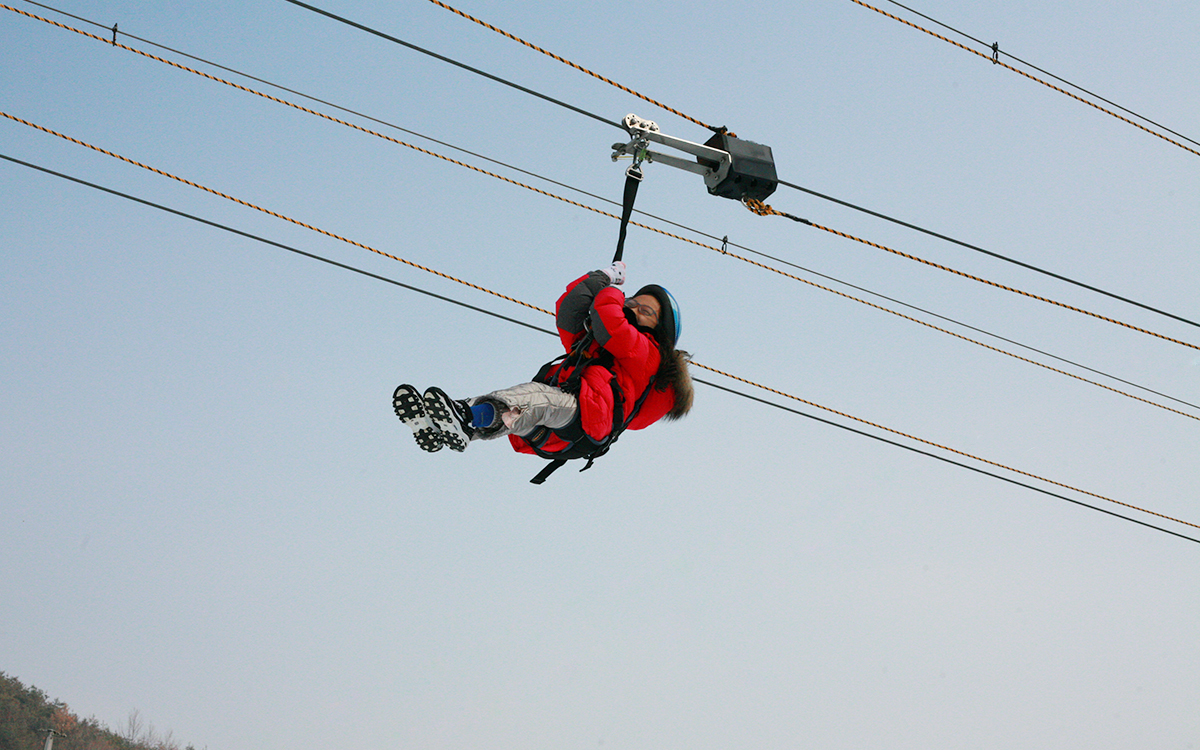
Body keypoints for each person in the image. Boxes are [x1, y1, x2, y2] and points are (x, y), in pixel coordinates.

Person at [392, 262, 693, 468]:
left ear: (659, 330)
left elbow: (608, 319)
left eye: (646, 311)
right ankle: (449, 424)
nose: (633, 309)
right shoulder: (596, 344)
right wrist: (600, 277)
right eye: (633, 303)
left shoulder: (648, 354)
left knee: (534, 398)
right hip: (566, 423)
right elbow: (569, 311)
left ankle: (464, 415)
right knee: (523, 409)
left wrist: (613, 290)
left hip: (589, 416)